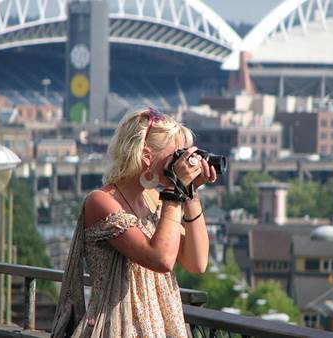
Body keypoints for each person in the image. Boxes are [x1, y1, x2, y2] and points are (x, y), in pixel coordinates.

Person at [51, 108, 217, 338]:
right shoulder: (101, 202)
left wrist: (191, 193)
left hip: (162, 327)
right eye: (175, 155)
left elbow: (197, 263)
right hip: (118, 327)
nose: (181, 162)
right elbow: (161, 258)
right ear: (146, 155)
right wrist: (174, 190)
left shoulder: (158, 201)